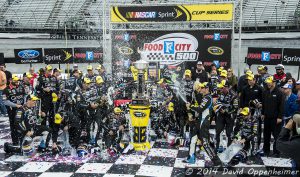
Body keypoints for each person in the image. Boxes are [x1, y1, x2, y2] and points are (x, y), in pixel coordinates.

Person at [261, 76, 284, 157]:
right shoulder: (265, 91)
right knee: (266, 135)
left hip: (275, 118)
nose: (268, 83)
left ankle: (276, 151)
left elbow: (281, 106)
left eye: (269, 82)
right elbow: (263, 104)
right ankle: (266, 150)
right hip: (267, 117)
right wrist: (263, 113)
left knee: (276, 136)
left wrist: (280, 117)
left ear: (273, 82)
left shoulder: (280, 92)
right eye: (267, 82)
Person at [3, 76, 25, 145]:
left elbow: (25, 96)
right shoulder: (6, 90)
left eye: (17, 81)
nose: (16, 82)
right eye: (15, 81)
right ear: (10, 80)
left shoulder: (21, 87)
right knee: (14, 126)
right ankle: (15, 141)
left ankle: (22, 139)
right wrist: (16, 105)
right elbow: (5, 102)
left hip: (21, 109)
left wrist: (24, 104)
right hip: (12, 110)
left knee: (22, 124)